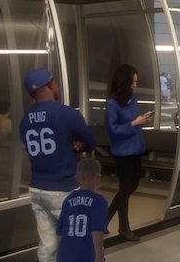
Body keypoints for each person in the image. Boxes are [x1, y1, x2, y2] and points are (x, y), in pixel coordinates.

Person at [19, 68, 95, 262]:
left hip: (37, 189)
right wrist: (74, 146)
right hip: (64, 190)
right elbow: (90, 142)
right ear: (51, 85)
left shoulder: (24, 121)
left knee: (48, 245)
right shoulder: (67, 114)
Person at [106, 64, 151, 242]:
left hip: (136, 148)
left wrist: (141, 120)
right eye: (133, 82)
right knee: (125, 188)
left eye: (136, 82)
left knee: (132, 186)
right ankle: (121, 225)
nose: (135, 85)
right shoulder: (112, 104)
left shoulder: (133, 99)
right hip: (122, 152)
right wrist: (133, 123)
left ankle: (113, 222)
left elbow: (135, 120)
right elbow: (113, 129)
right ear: (124, 82)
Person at [56, 158, 107, 262]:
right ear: (98, 178)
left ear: (76, 178)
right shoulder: (99, 201)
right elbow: (97, 230)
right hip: (86, 254)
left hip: (65, 256)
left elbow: (60, 233)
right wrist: (99, 256)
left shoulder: (68, 200)